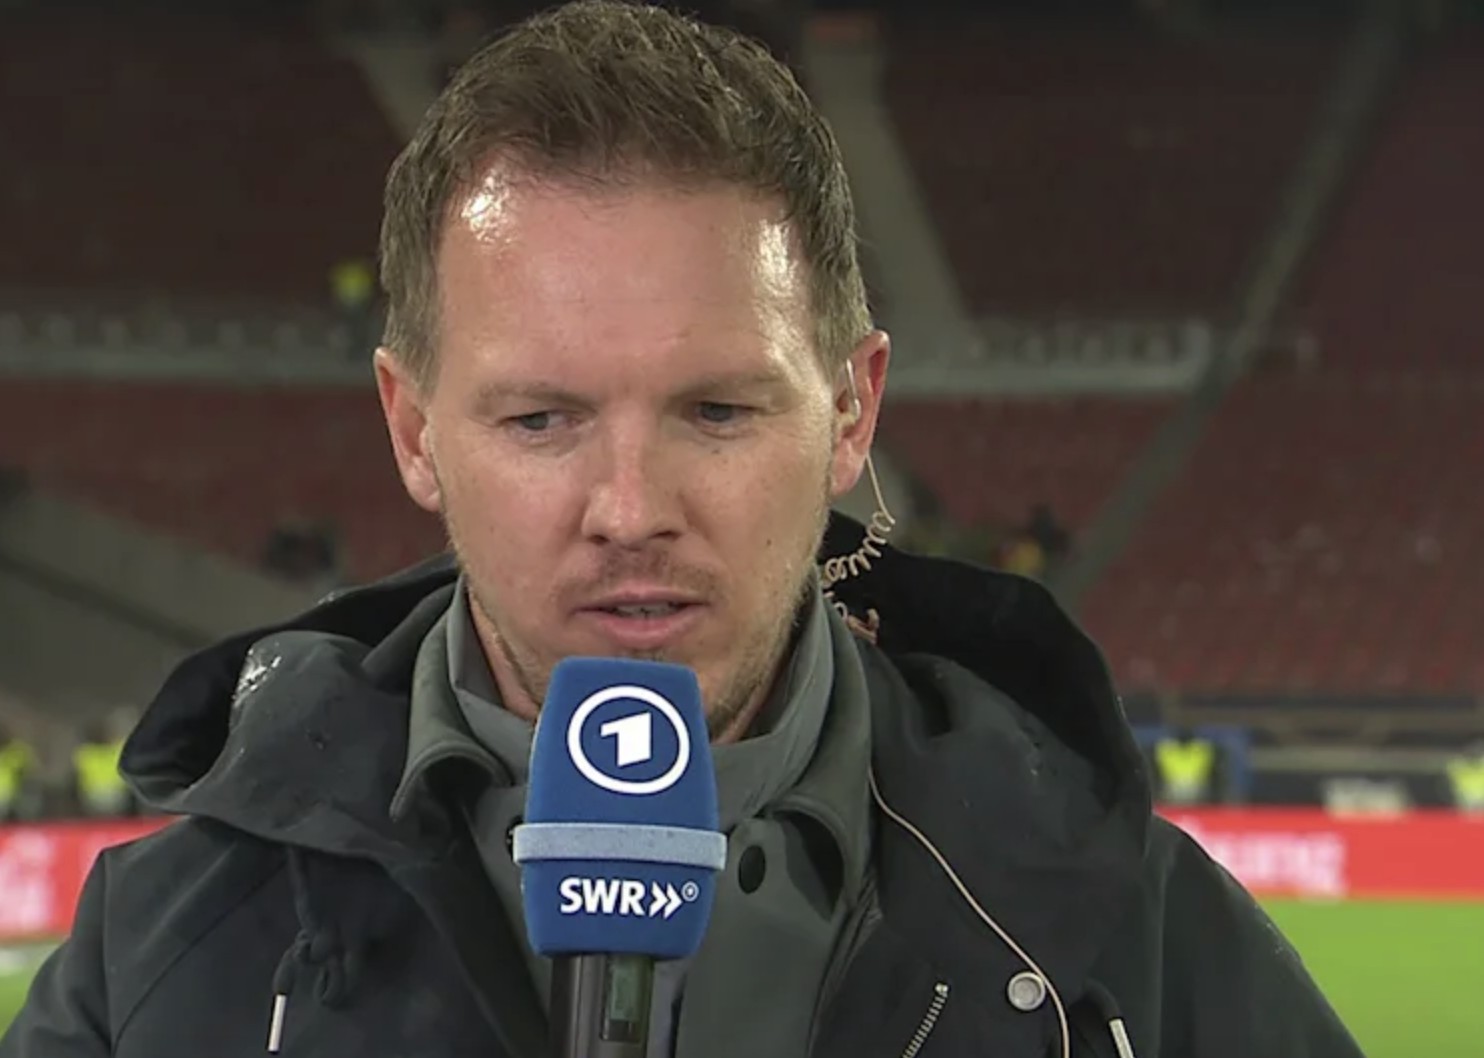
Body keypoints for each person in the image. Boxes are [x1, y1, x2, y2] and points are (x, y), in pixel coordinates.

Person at [1, 4, 1363, 1057]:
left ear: (851, 411)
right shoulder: (160, 956)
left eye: (716, 410)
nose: (633, 510)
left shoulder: (1147, 947)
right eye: (542, 419)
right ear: (414, 431)